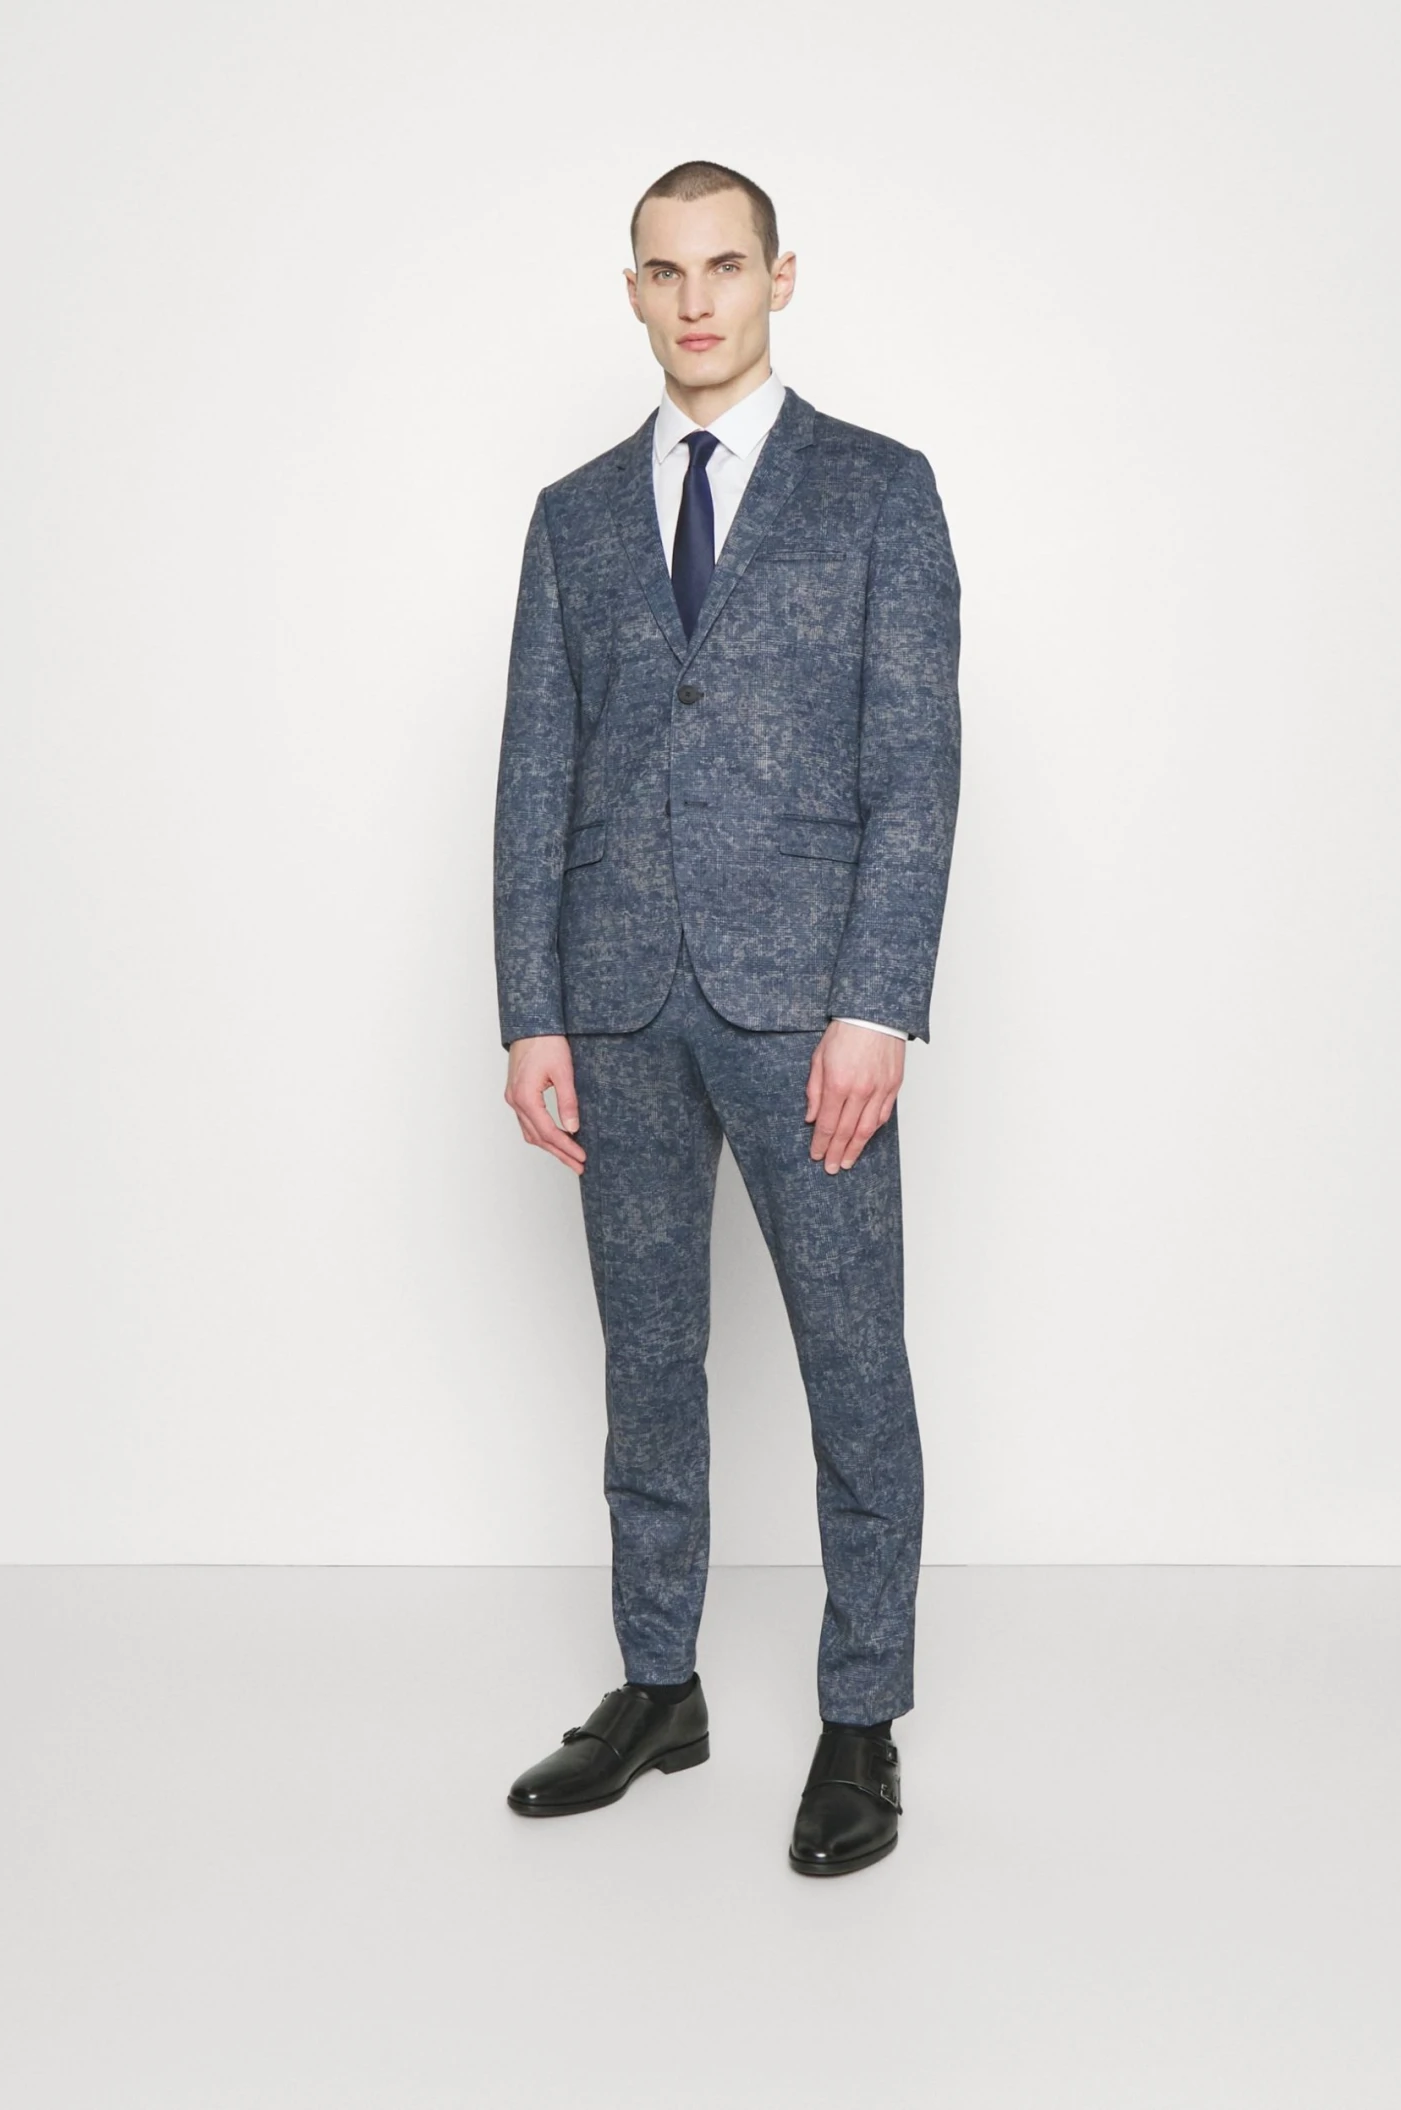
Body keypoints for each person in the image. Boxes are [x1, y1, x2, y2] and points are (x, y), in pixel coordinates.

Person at [492, 158, 961, 1876]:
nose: (696, 299)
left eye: (725, 266)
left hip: (805, 1010)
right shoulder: (571, 516)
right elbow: (534, 774)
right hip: (616, 1001)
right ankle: (657, 1685)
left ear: (779, 277)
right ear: (633, 290)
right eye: (665, 271)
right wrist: (531, 1009)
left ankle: (862, 1716)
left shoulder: (879, 491)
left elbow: (917, 766)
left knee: (853, 1361)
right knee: (647, 1360)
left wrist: (877, 1001)